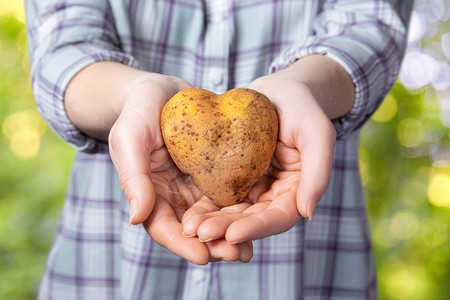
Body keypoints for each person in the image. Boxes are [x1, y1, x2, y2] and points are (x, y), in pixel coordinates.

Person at [25, 0, 412, 299]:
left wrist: (305, 87)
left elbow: (372, 23)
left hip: (311, 271)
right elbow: (62, 45)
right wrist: (131, 96)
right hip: (103, 271)